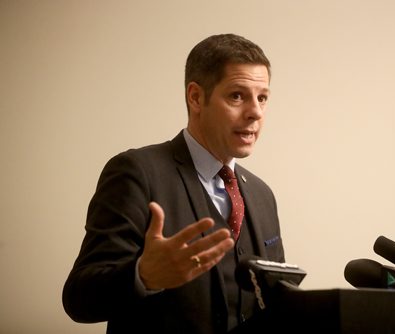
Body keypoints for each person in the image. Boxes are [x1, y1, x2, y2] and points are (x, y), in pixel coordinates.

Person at [62, 33, 285, 334]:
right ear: (196, 97)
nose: (255, 112)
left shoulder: (262, 194)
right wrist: (143, 276)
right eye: (236, 95)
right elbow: (78, 299)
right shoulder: (136, 172)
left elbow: (276, 303)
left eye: (262, 98)